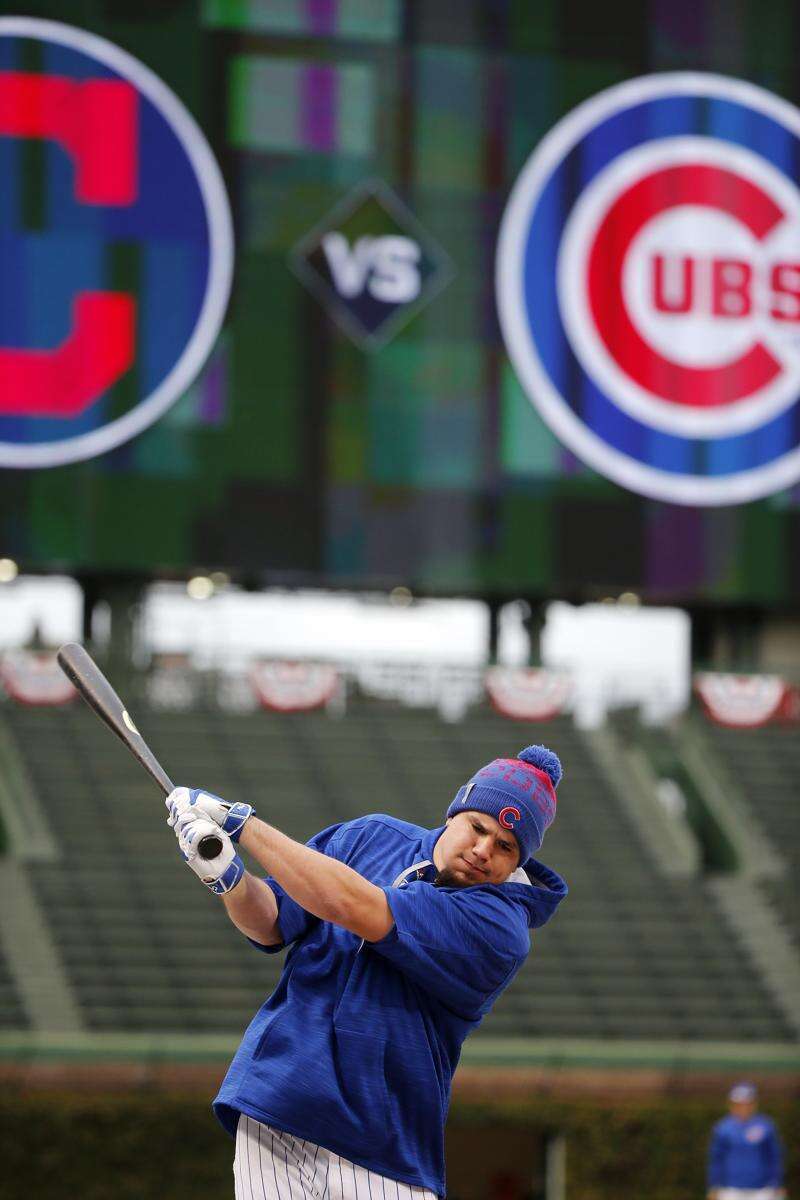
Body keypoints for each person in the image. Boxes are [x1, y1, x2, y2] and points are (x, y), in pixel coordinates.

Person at [165, 743, 568, 1200]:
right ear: (455, 811)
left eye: (505, 847)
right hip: (279, 1105)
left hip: (386, 1150)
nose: (482, 850)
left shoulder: (501, 927)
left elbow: (353, 905)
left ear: (518, 862)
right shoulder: (371, 836)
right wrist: (228, 878)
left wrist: (240, 823)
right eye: (478, 827)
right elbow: (272, 921)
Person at [707, 1082, 786, 1200]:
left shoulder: (766, 1125)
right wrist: (714, 1185)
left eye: (747, 1103)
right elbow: (716, 1159)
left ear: (754, 1104)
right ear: (731, 1105)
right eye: (739, 1104)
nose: (743, 1107)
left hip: (762, 1189)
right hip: (730, 1188)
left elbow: (774, 1157)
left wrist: (777, 1183)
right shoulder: (723, 1127)